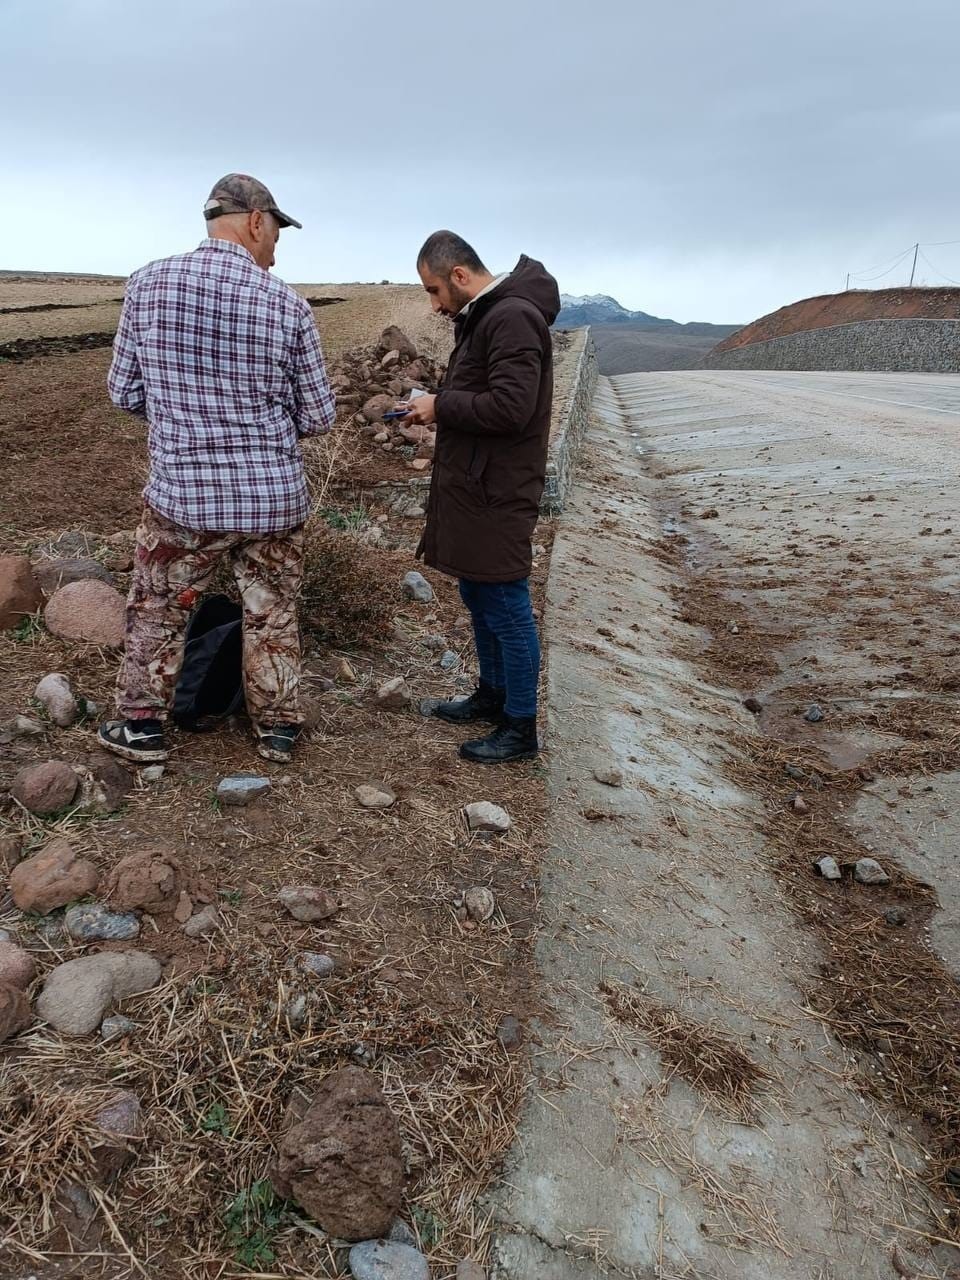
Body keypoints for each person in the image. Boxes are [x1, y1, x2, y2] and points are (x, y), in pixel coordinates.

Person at [98, 173, 335, 765]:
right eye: (278, 232)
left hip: (184, 498)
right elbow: (319, 414)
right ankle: (278, 729)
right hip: (274, 500)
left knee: (156, 605)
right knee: (272, 611)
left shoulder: (147, 285)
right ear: (256, 220)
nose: (277, 248)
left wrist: (185, 416)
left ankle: (143, 730)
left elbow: (124, 392)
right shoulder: (289, 305)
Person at [403, 231, 560, 764]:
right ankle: (493, 697)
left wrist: (440, 406)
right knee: (480, 595)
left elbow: (512, 408)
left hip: (499, 490)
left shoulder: (511, 318)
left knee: (507, 605)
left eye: (434, 290)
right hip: (479, 486)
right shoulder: (486, 317)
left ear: (460, 276)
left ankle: (520, 727)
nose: (434, 304)